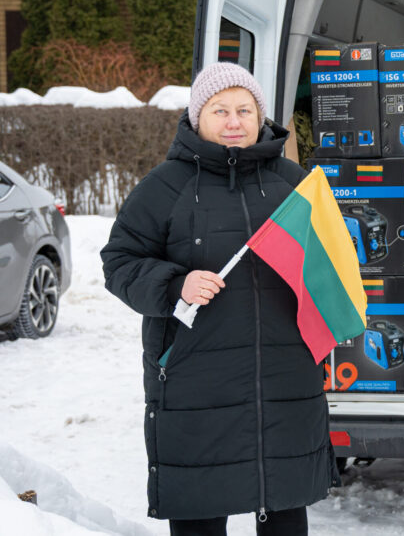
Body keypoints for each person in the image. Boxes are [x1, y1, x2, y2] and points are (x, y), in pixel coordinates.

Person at [102, 63, 338, 536]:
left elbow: (330, 261)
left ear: (260, 117)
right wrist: (175, 286)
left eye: (245, 110)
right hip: (195, 380)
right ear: (197, 117)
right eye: (221, 110)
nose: (234, 121)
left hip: (284, 378)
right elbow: (119, 261)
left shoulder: (296, 184)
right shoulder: (166, 185)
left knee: (284, 502)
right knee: (199, 509)